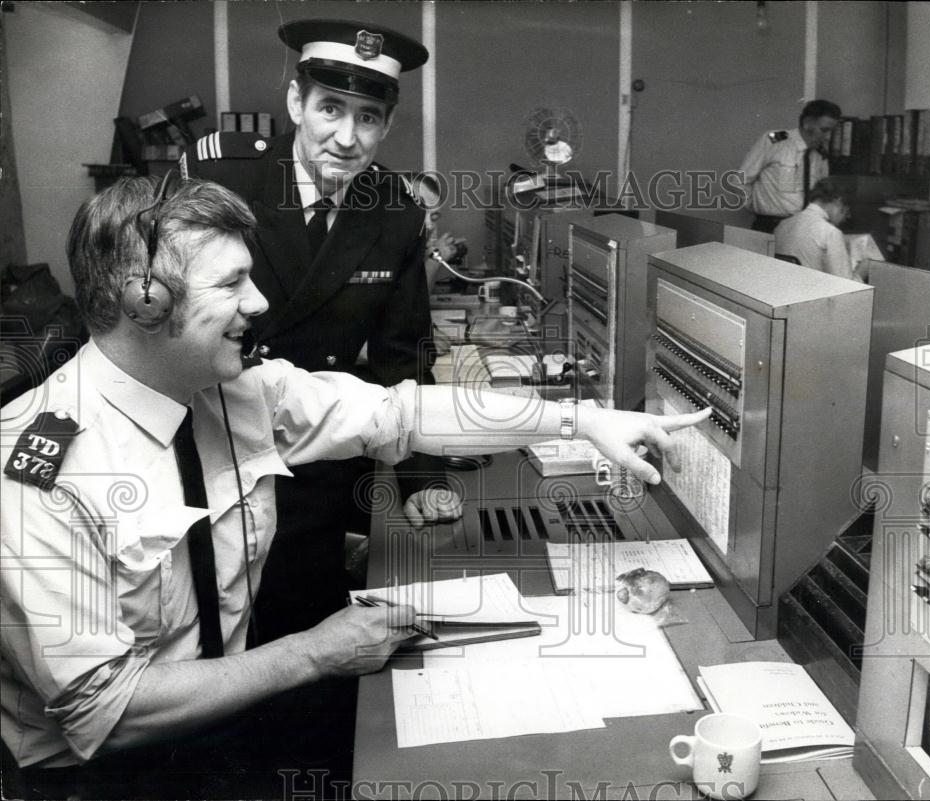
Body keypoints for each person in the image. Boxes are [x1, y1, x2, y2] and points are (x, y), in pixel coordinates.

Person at [0, 176, 710, 798]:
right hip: (102, 781)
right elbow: (106, 711)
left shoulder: (231, 391)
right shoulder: (37, 471)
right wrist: (317, 650)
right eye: (230, 283)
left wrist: (579, 418)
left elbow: (402, 411)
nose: (259, 301)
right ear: (142, 298)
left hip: (224, 731)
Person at [180, 19, 463, 646]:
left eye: (368, 117)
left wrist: (420, 475)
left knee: (309, 643)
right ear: (295, 103)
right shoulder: (226, 182)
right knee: (206, 638)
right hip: (213, 450)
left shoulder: (395, 209)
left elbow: (404, 351)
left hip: (319, 465)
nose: (346, 137)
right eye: (330, 108)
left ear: (387, 126)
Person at [739, 99, 842, 233]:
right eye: (824, 130)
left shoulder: (821, 155)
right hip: (770, 226)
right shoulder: (775, 138)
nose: (828, 137)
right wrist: (757, 208)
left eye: (832, 131)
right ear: (807, 123)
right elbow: (741, 179)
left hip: (803, 229)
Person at [774, 178, 861, 281]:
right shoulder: (830, 233)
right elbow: (845, 286)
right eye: (847, 212)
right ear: (839, 201)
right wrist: (864, 268)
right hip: (812, 293)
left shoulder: (782, 225)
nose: (846, 217)